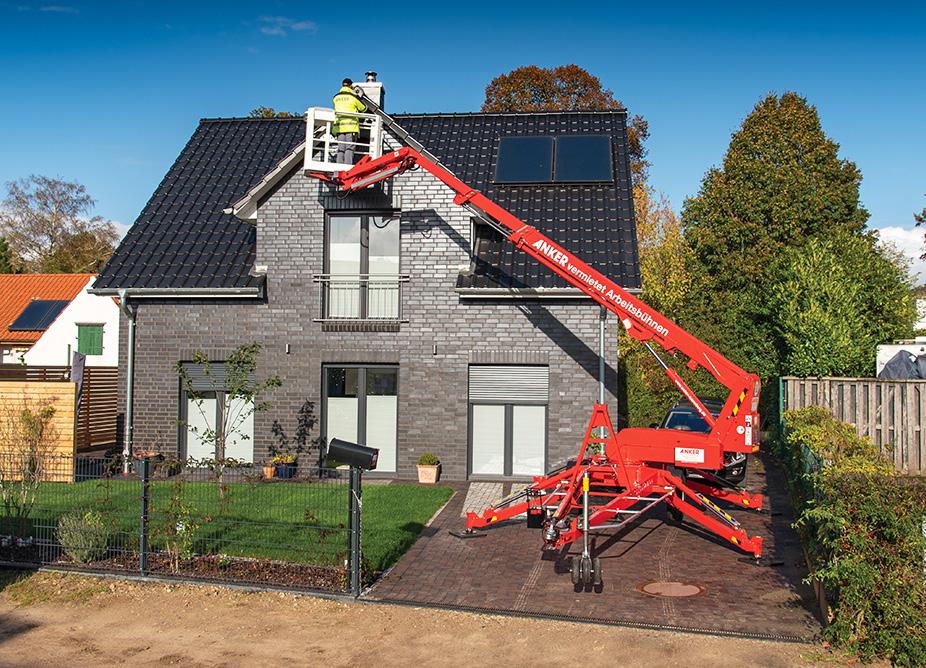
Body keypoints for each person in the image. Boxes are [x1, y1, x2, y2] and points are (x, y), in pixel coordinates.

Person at [333, 78, 367, 165]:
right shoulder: (353, 97)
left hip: (339, 127)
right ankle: (347, 166)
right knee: (349, 148)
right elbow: (363, 108)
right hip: (351, 127)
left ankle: (339, 165)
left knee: (341, 148)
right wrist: (359, 96)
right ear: (351, 86)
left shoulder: (336, 97)